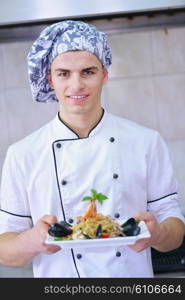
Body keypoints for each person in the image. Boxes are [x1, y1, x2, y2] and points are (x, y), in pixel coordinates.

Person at [0, 20, 184, 278]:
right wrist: (33, 240)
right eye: (64, 73)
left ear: (105, 74)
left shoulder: (146, 142)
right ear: (50, 79)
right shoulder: (22, 154)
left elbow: (173, 225)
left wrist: (160, 234)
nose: (76, 85)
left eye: (88, 71)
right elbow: (4, 249)